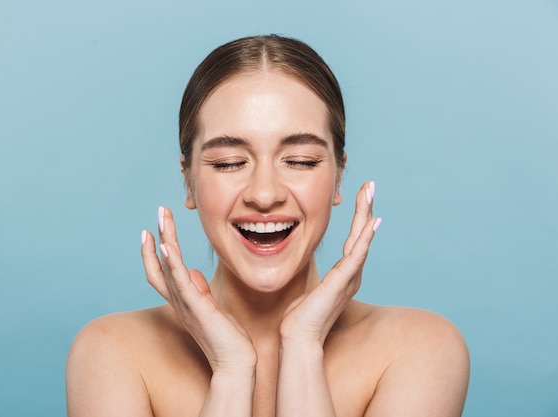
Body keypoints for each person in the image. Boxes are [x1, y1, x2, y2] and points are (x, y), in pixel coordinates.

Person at [66, 34, 470, 417]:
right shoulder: (111, 352)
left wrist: (303, 344)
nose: (264, 194)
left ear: (338, 177)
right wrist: (231, 369)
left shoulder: (422, 348)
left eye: (300, 161)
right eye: (229, 163)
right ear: (188, 180)